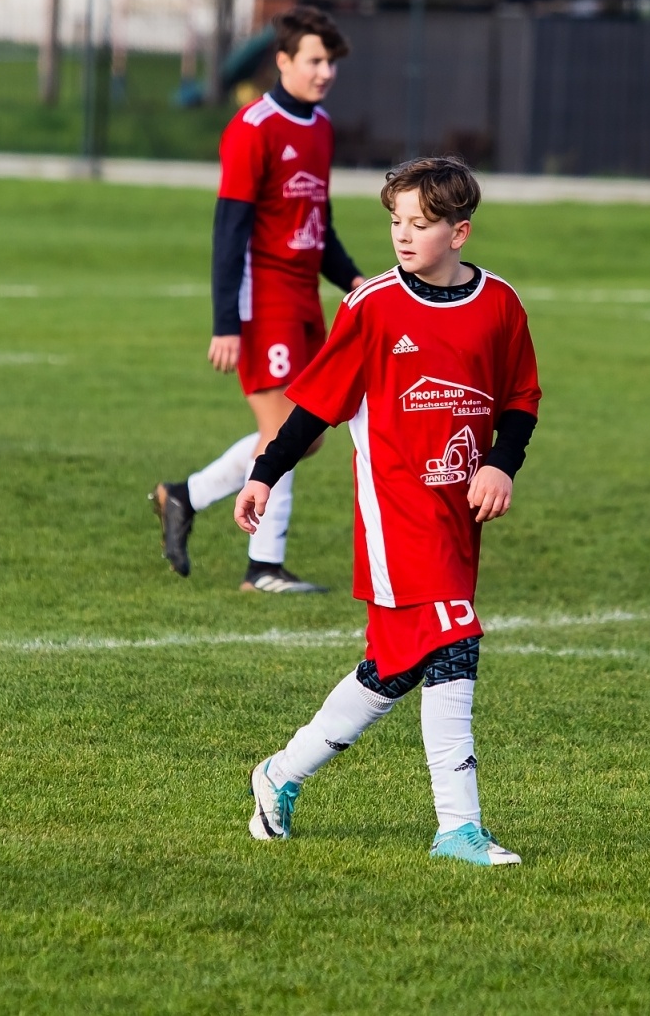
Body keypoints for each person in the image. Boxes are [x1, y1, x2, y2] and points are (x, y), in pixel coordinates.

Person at [235, 156, 541, 865]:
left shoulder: (499, 303)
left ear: (459, 232)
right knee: (456, 641)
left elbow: (521, 400)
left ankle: (280, 772)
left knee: (397, 667)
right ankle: (458, 828)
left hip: (458, 516)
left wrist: (501, 463)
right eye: (396, 221)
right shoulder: (371, 306)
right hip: (395, 514)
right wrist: (265, 473)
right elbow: (315, 407)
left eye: (421, 223)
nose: (403, 235)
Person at [151, 6, 364, 593]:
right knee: (282, 430)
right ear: (283, 61)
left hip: (304, 302)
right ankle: (263, 567)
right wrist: (226, 321)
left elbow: (318, 224)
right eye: (314, 61)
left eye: (331, 62)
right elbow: (230, 230)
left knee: (309, 435)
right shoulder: (253, 127)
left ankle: (186, 495)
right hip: (263, 302)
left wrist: (353, 280)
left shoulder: (320, 126)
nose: (325, 72)